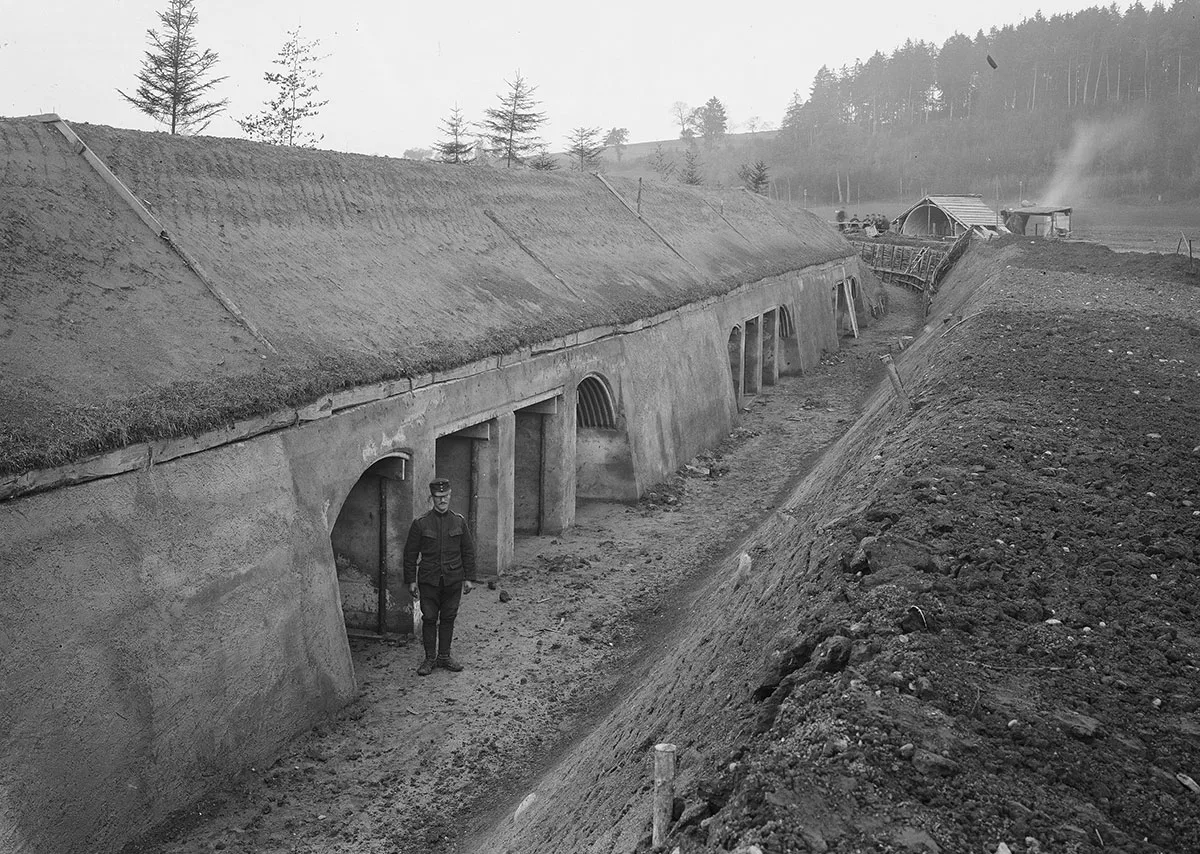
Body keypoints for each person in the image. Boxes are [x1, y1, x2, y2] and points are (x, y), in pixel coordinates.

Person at [403, 478, 477, 676]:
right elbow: (410, 554)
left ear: (450, 496)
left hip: (453, 580)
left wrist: (469, 578)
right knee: (429, 618)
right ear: (432, 498)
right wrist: (411, 580)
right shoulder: (420, 524)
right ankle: (429, 659)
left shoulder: (459, 522)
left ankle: (444, 656)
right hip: (429, 581)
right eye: (438, 497)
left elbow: (468, 551)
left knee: (448, 617)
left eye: (445, 496)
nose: (442, 501)